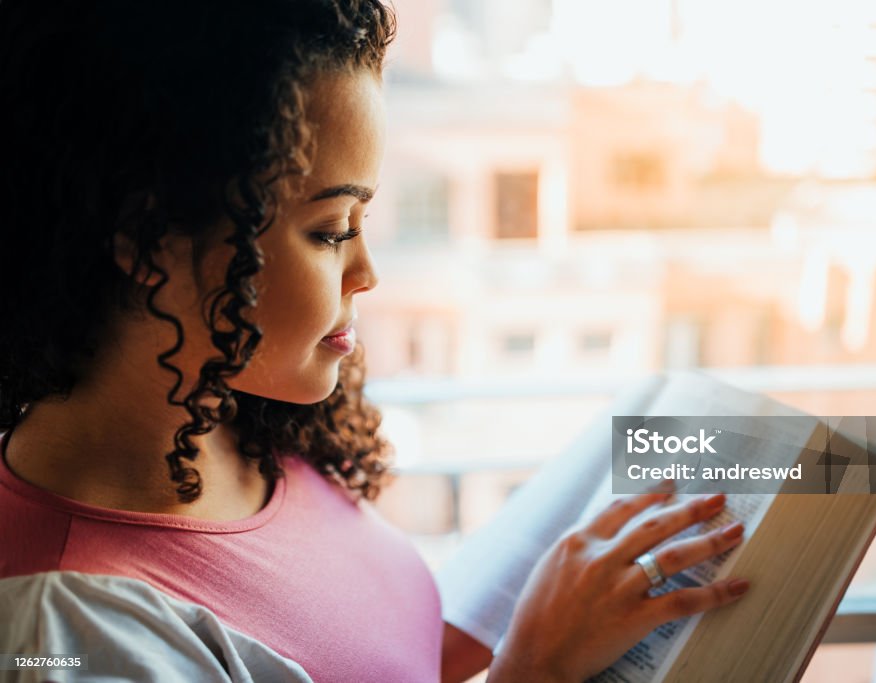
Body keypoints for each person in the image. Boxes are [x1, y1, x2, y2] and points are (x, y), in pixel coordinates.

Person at [0, 2, 750, 681]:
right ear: (148, 238)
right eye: (329, 230)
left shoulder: (241, 412)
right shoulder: (65, 636)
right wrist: (534, 670)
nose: (366, 272)